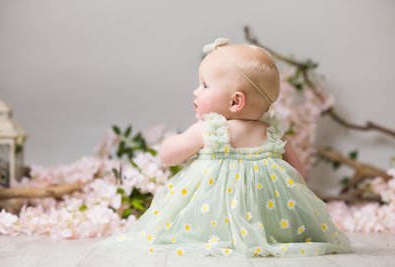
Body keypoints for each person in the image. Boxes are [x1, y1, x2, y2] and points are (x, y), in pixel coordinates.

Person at [91, 38, 353, 258]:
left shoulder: (213, 130)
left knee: (195, 228)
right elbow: (298, 174)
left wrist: (181, 142)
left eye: (204, 85)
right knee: (278, 227)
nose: (196, 91)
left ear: (235, 101)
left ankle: (212, 236)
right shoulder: (271, 131)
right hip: (270, 218)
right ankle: (278, 233)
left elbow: (168, 156)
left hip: (213, 221)